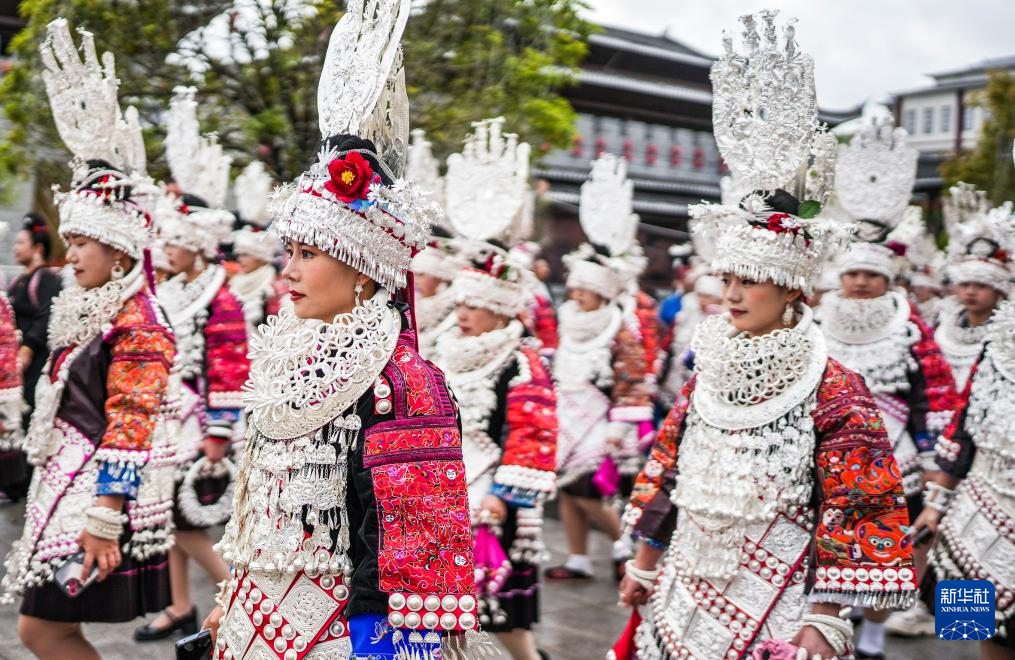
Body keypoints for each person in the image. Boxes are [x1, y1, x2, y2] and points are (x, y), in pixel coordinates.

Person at [613, 14, 916, 660]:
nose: (730, 294)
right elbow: (667, 470)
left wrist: (826, 618)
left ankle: (898, 634)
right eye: (726, 278)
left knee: (982, 620)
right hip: (684, 584)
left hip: (779, 595)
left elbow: (856, 503)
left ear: (790, 288)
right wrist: (643, 563)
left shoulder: (834, 388)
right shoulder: (710, 367)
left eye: (748, 281)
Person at [203, 2, 479, 657]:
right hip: (257, 618)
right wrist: (232, 599)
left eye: (308, 254)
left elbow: (412, 543)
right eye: (290, 252)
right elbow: (259, 508)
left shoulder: (404, 382)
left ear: (361, 267)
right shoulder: (288, 358)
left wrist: (382, 643)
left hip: (339, 634)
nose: (289, 271)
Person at [0, 19, 177, 658]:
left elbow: (132, 419)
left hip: (96, 491)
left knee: (42, 630)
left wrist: (105, 515)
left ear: (119, 249)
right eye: (69, 241)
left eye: (80, 243)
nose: (70, 255)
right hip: (67, 480)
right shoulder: (92, 308)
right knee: (43, 629)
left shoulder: (138, 320)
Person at [819, 111, 959, 654]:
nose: (859, 283)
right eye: (853, 273)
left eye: (870, 275)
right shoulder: (818, 319)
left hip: (926, 459)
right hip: (839, 451)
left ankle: (921, 626)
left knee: (943, 555)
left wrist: (938, 461)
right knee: (837, 544)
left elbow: (937, 398)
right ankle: (850, 623)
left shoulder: (915, 325)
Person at [135, 86, 250, 642]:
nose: (168, 250)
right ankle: (180, 605)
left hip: (200, 424)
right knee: (164, 517)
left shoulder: (221, 299)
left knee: (183, 523)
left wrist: (218, 435)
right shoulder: (176, 290)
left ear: (200, 245)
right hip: (167, 418)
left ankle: (238, 600)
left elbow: (230, 368)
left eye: (177, 242)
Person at [433, 243, 557, 660]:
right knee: (441, 603)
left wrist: (502, 496)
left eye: (474, 305)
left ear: (501, 311)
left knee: (496, 607)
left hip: (490, 497)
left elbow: (532, 434)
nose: (462, 313)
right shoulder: (443, 350)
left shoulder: (521, 362)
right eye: (459, 303)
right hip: (441, 490)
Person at [546, 242, 651, 582]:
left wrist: (619, 428)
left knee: (590, 492)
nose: (577, 294)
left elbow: (632, 380)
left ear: (602, 292)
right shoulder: (566, 320)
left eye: (585, 289)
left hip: (600, 421)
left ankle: (624, 546)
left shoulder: (620, 328)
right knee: (568, 488)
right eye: (575, 287)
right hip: (565, 415)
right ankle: (577, 558)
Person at [932, 185, 1011, 392]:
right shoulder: (941, 326)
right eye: (965, 284)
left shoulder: (1007, 335)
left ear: (999, 290)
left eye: (981, 286)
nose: (971, 292)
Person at [229, 161, 284, 333]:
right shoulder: (233, 284)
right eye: (239, 254)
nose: (240, 259)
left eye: (246, 254)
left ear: (262, 256)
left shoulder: (275, 288)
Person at [410, 236, 465, 358]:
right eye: (413, 274)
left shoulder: (453, 314)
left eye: (421, 274)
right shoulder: (405, 304)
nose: (414, 280)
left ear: (441, 277)